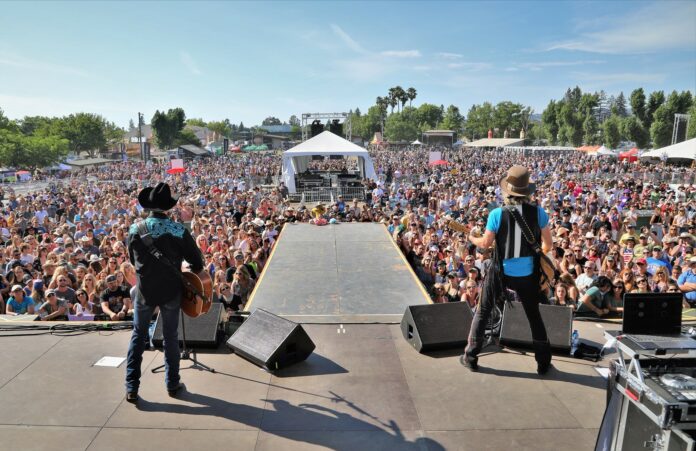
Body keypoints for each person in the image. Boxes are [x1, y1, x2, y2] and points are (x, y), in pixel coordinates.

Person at [462, 166, 553, 375]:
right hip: (528, 274)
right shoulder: (539, 213)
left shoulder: (496, 213)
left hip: (500, 271)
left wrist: (471, 237)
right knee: (534, 316)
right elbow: (548, 245)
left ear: (507, 191)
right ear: (527, 191)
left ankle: (471, 356)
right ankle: (543, 362)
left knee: (483, 311)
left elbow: (485, 244)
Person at [125, 183, 204, 404]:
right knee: (170, 336)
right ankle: (172, 383)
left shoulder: (135, 229)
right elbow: (197, 262)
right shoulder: (178, 230)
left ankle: (131, 387)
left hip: (145, 292)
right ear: (168, 207)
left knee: (138, 335)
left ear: (149, 206)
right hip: (171, 291)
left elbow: (132, 260)